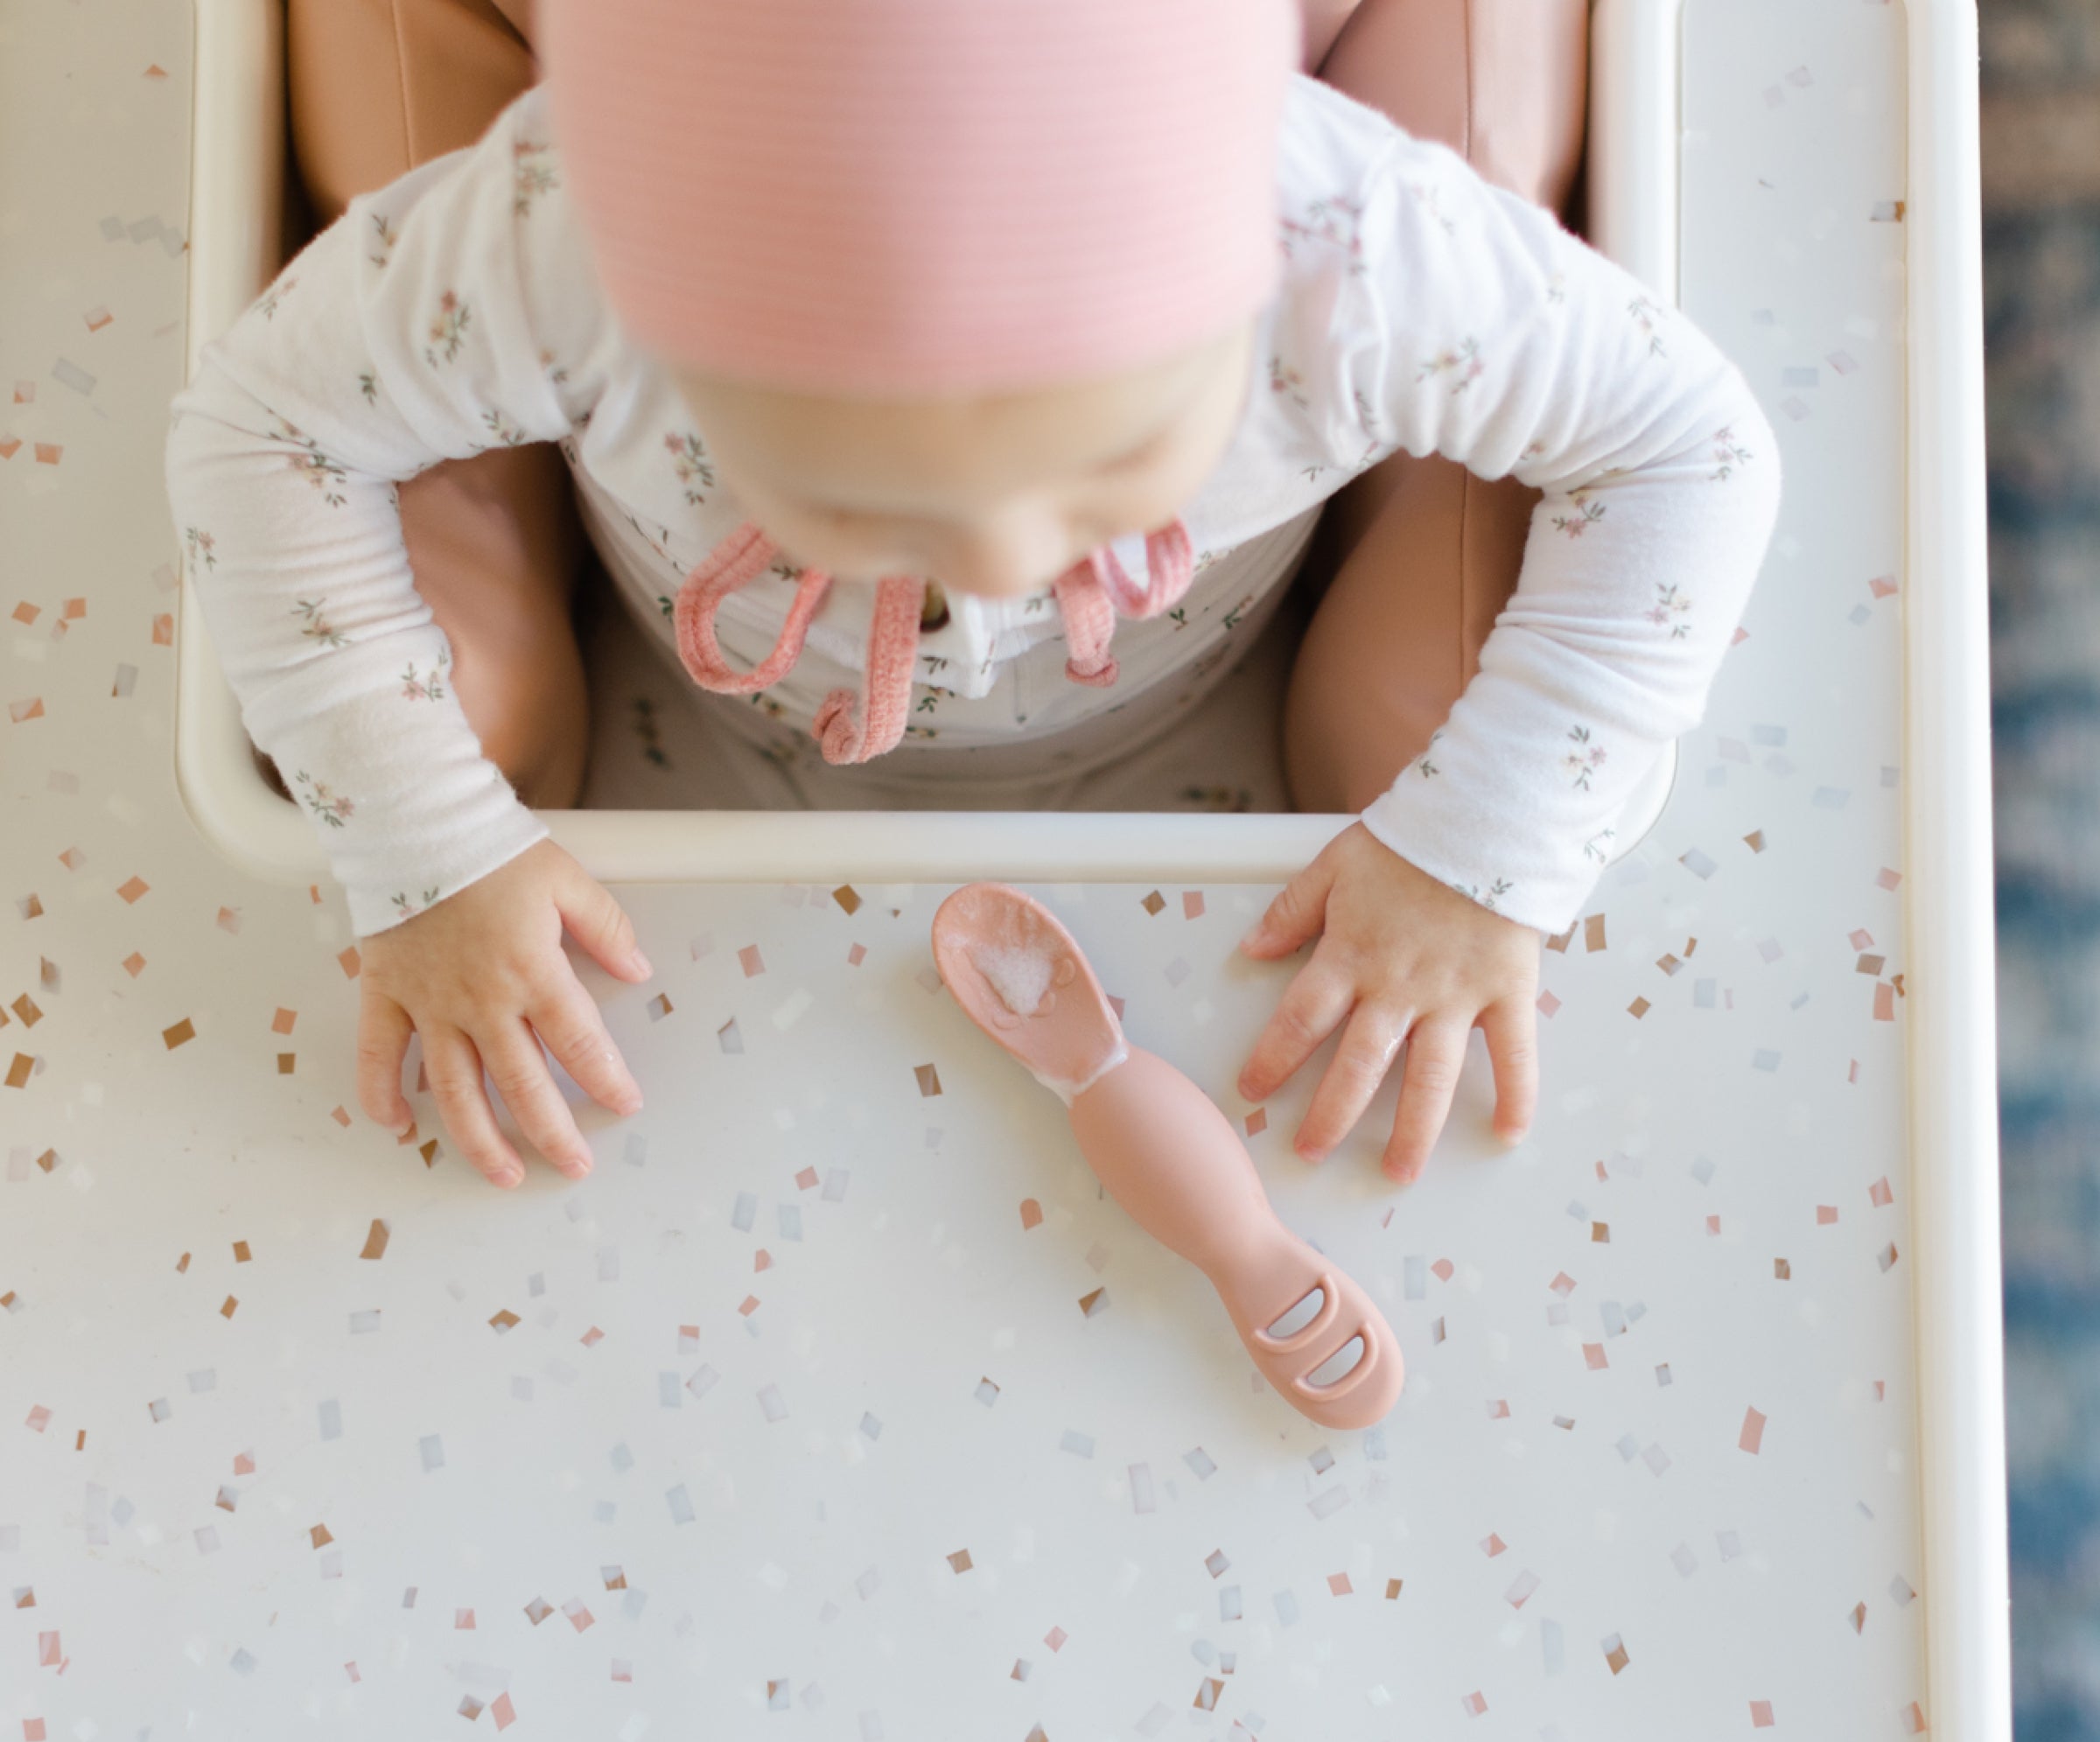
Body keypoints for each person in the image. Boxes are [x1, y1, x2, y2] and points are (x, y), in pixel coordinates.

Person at [164, 0, 1779, 1192]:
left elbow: (1691, 449)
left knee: (1419, 677)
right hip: (681, 694)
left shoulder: (1345, 247)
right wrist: (427, 841)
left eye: (1122, 453)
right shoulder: (556, 242)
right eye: (852, 497)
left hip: (1253, 663)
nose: (1004, 563)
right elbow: (258, 427)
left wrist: (1485, 846)